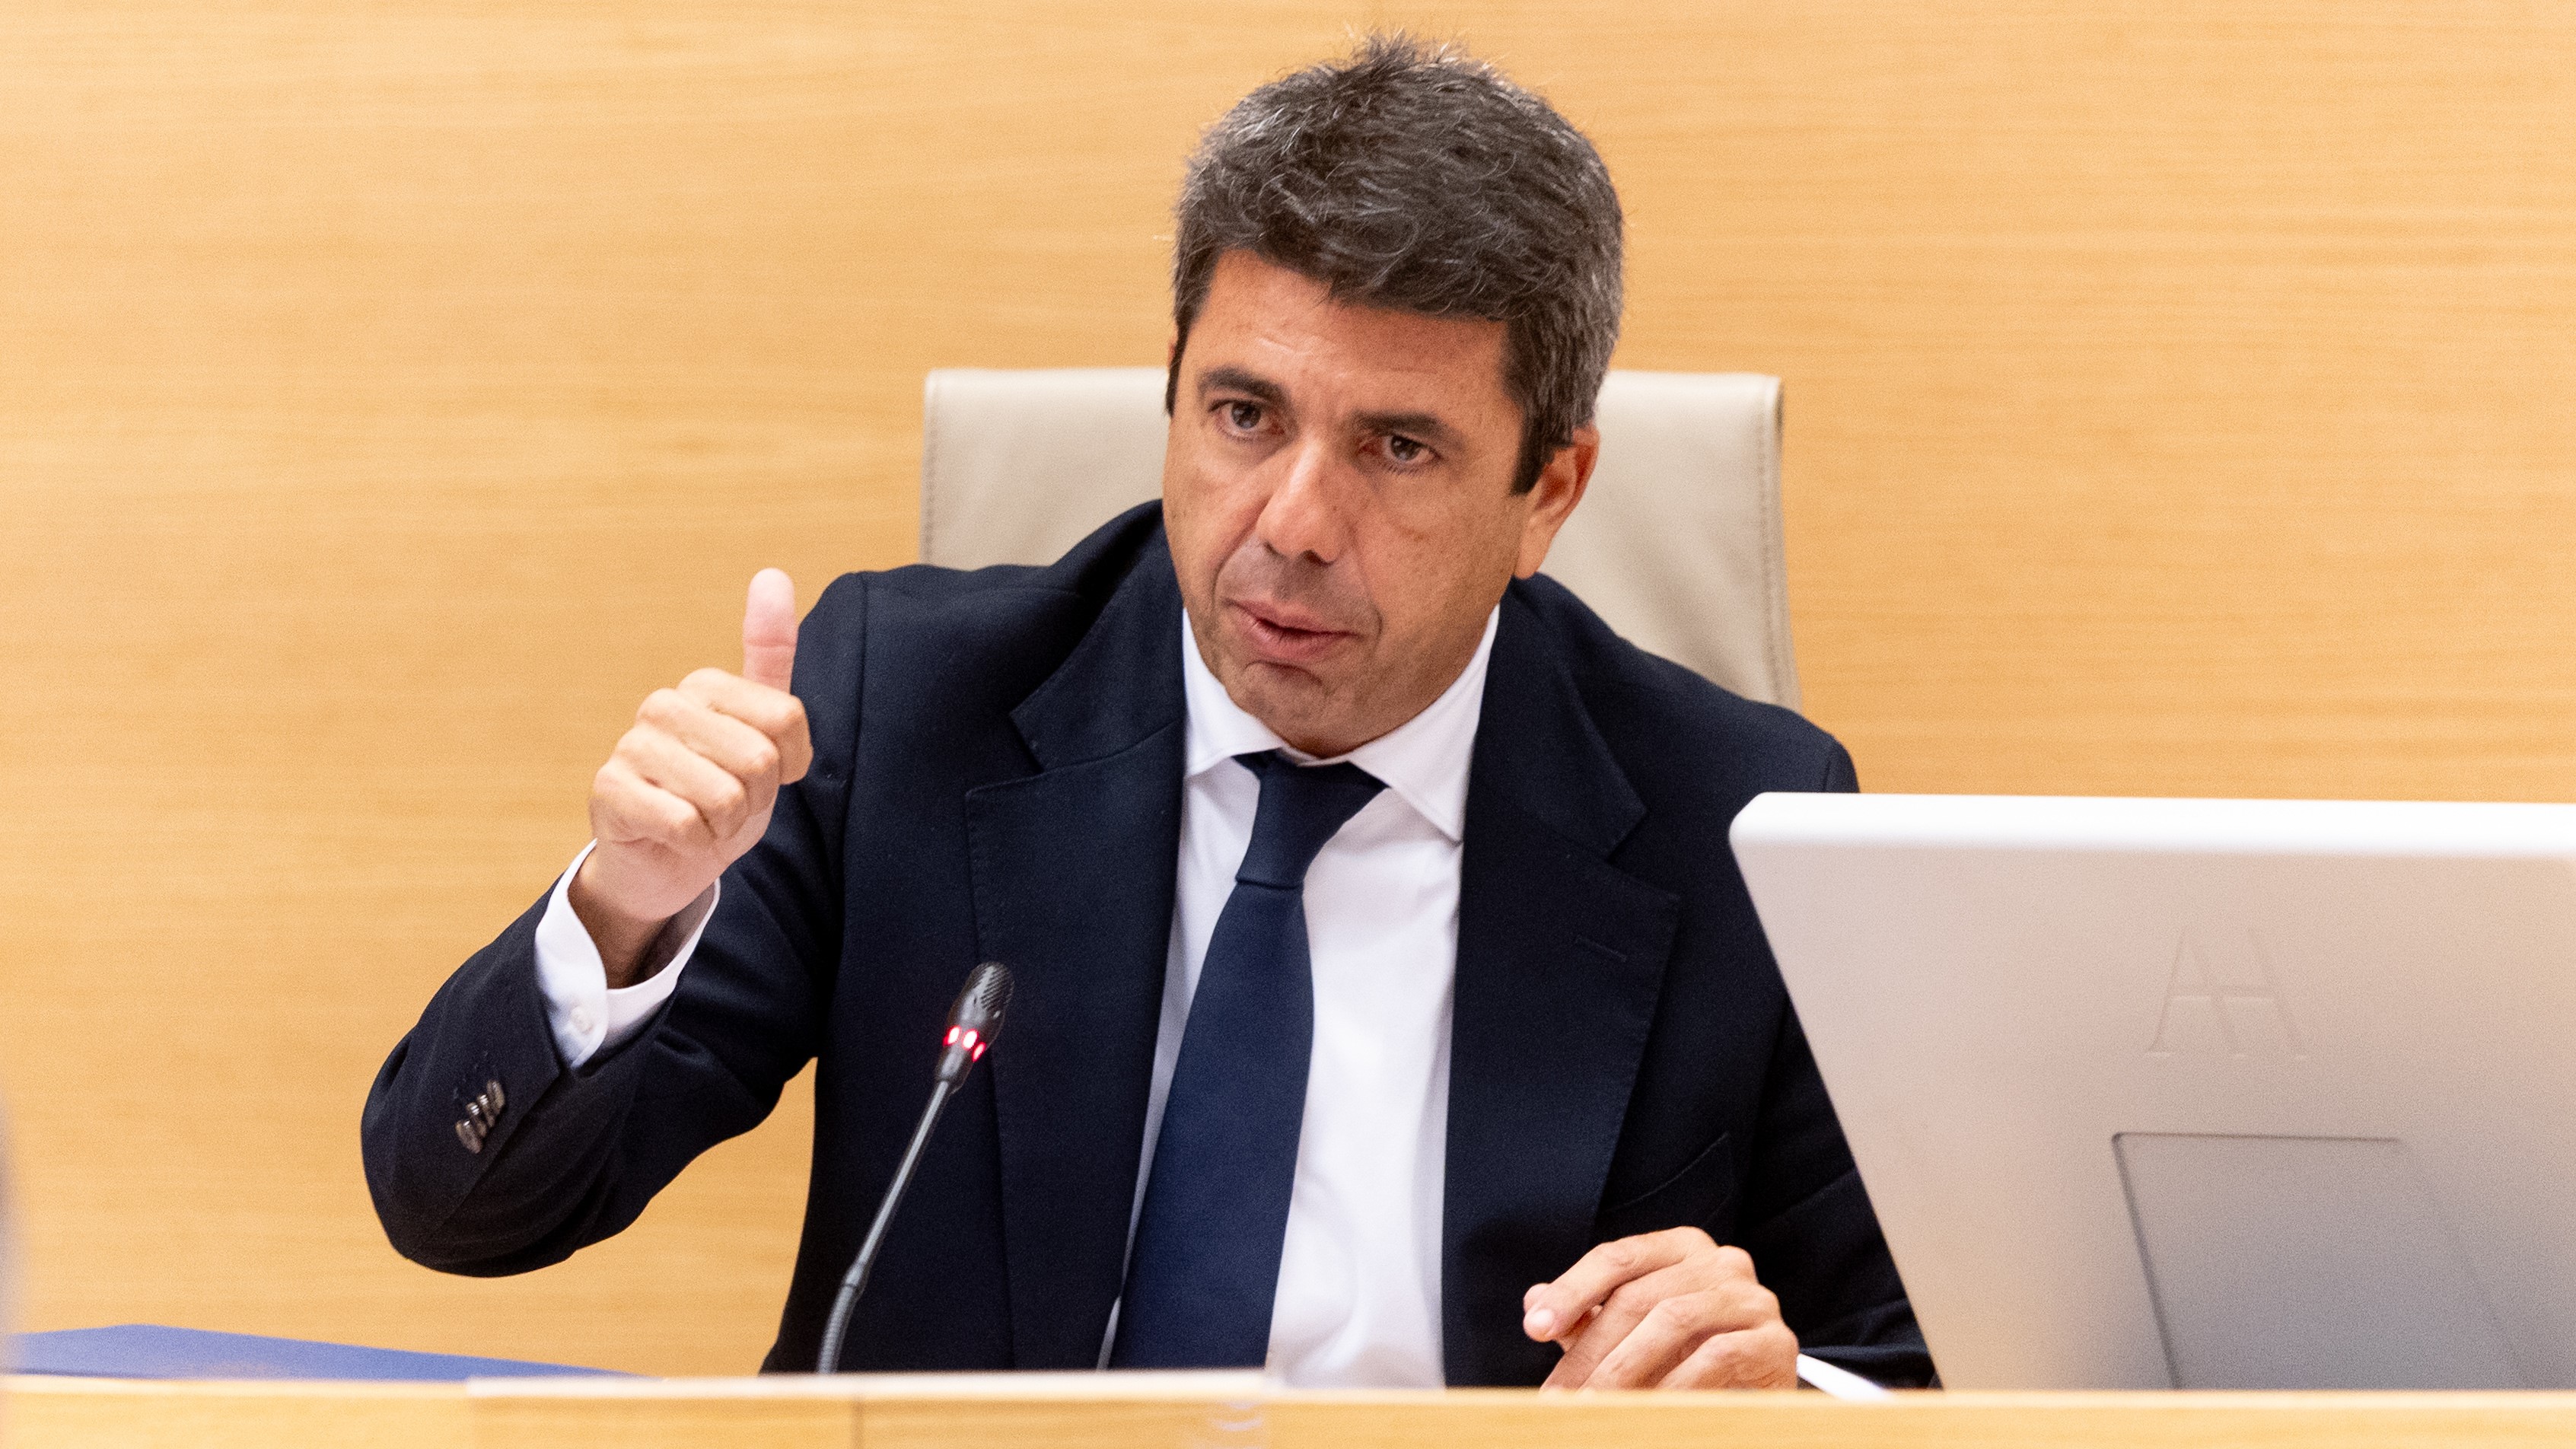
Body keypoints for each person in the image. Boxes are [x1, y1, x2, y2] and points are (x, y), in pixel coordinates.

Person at [362, 35, 1931, 1390]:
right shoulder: (905, 707)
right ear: (1172, 392)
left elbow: (1906, 1370)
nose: (1293, 524)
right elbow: (465, 1211)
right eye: (1244, 414)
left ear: (1550, 492)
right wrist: (624, 911)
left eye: (1396, 448)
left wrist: (1768, 1382)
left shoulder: (1740, 821)